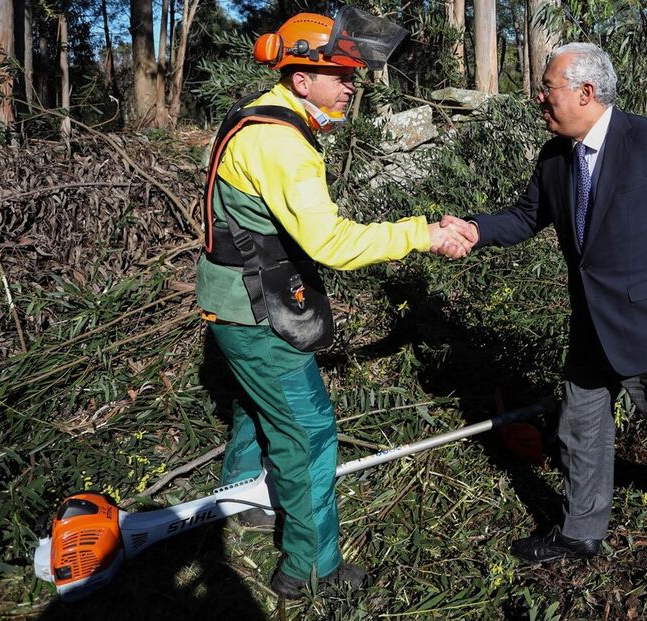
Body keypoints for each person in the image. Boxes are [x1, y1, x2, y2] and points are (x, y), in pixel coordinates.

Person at [440, 42, 647, 563]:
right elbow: (528, 215)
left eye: (547, 88)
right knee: (580, 427)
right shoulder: (555, 155)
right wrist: (476, 229)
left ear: (586, 92)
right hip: (591, 326)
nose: (538, 98)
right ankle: (580, 530)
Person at [196, 9, 475, 598]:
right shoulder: (281, 142)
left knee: (256, 401)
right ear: (302, 80)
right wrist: (420, 233)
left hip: (232, 303)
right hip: (255, 310)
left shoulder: (259, 116)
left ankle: (245, 499)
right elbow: (331, 243)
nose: (353, 86)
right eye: (342, 75)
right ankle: (310, 569)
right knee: (310, 431)